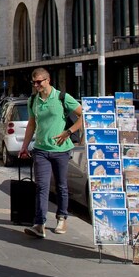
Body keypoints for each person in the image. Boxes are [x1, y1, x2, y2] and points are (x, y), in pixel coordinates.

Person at [18, 68, 83, 238]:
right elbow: (31, 124)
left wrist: (68, 132)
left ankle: (62, 217)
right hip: (40, 150)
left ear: (48, 80)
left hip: (61, 150)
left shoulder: (62, 97)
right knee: (41, 186)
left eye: (39, 82)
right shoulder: (33, 100)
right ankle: (39, 223)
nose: (36, 85)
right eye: (34, 82)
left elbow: (84, 115)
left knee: (61, 185)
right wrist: (24, 146)